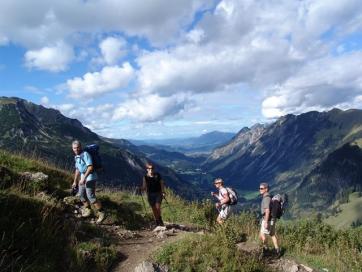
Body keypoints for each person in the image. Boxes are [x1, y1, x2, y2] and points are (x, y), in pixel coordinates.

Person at [72, 140, 105, 224]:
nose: (76, 149)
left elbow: (90, 168)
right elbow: (77, 170)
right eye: (74, 148)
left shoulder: (85, 154)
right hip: (83, 177)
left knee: (91, 196)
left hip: (90, 177)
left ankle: (102, 213)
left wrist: (84, 179)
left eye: (78, 147)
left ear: (81, 147)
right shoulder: (76, 156)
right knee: (81, 195)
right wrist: (75, 181)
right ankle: (88, 211)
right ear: (72, 148)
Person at [259, 182, 281, 257]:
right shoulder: (270, 197)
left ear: (266, 189)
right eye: (260, 188)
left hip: (267, 219)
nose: (260, 190)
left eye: (262, 188)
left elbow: (267, 210)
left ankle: (266, 250)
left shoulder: (266, 198)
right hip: (272, 219)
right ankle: (277, 250)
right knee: (272, 234)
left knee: (262, 234)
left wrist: (265, 221)